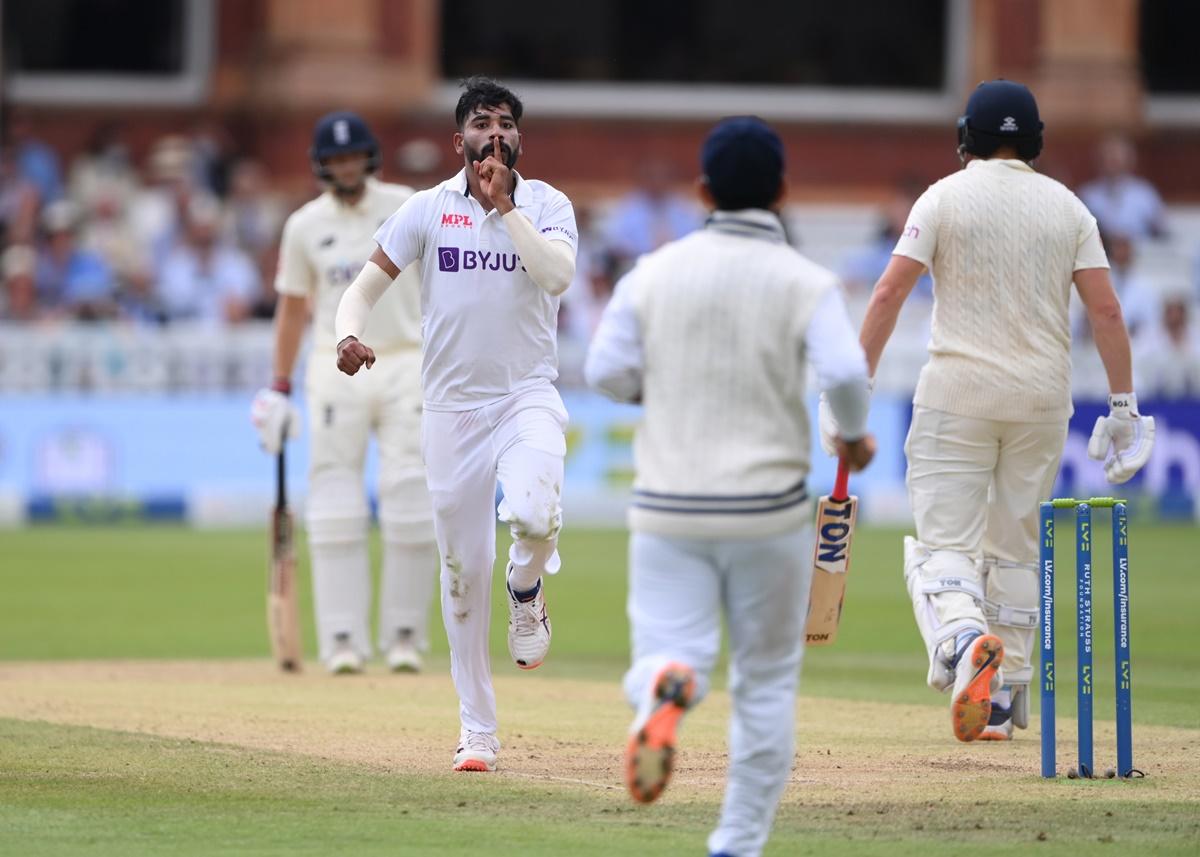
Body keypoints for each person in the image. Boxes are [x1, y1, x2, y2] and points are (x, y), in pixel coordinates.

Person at [823, 80, 1156, 744]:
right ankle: (1002, 699)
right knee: (1014, 545)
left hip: (958, 394)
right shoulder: (1069, 207)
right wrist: (1123, 406)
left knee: (941, 546)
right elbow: (1108, 311)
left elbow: (889, 292)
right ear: (1033, 141)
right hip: (1040, 401)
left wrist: (852, 389)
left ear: (965, 137)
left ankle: (963, 638)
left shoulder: (943, 196)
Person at [586, 117, 874, 857]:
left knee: (662, 646)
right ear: (782, 191)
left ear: (703, 189)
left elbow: (605, 372)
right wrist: (849, 433)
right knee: (767, 682)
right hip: (767, 513)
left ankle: (663, 684)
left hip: (668, 506)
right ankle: (737, 844)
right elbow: (844, 372)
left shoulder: (653, 270)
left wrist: (669, 385)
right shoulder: (806, 280)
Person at [333, 77, 577, 772]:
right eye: (480, 122)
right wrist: (347, 333)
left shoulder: (547, 204)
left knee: (531, 514)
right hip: (451, 412)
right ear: (459, 139)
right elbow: (364, 287)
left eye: (505, 122)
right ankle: (478, 731)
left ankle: (527, 589)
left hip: (526, 394)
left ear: (518, 138)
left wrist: (506, 208)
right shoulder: (426, 209)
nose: (493, 132)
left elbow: (556, 276)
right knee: (463, 573)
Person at [251, 112, 437, 675]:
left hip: (407, 360)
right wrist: (279, 387)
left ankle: (404, 635)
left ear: (370, 157)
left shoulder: (409, 205)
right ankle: (341, 640)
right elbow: (291, 310)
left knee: (410, 497)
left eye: (352, 157)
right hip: (333, 369)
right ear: (320, 166)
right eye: (334, 160)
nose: (345, 167)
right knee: (334, 501)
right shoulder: (305, 225)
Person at [1079, 135, 1167, 240]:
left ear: (1129, 159)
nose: (1112, 161)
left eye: (1116, 157)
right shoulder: (1087, 195)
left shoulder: (1145, 193)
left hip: (1141, 253)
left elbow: (1161, 232)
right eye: (1107, 156)